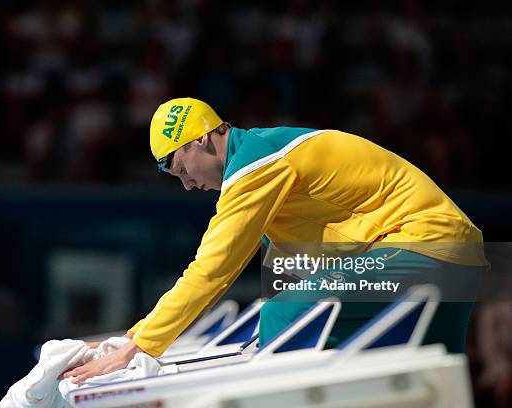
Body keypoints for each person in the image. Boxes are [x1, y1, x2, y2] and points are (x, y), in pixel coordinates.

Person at [62, 97, 488, 383]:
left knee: (286, 316)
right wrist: (132, 335)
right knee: (432, 386)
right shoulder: (270, 159)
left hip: (425, 248)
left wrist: (141, 344)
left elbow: (213, 269)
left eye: (179, 170)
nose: (188, 185)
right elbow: (301, 266)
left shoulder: (256, 166)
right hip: (451, 254)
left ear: (202, 140)